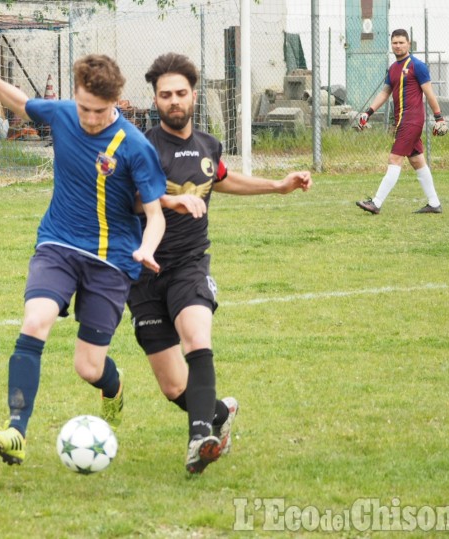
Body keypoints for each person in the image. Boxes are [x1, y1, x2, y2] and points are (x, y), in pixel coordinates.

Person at [0, 48, 170, 466]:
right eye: (86, 108)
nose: (91, 119)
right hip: (57, 243)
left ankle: (113, 386)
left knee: (89, 368)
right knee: (35, 321)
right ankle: (16, 429)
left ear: (117, 104)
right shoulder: (63, 114)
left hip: (111, 260)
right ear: (76, 97)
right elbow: (19, 102)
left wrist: (146, 247)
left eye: (101, 112)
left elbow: (156, 214)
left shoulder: (135, 146)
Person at [128, 53, 313, 474]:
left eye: (180, 93)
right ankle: (218, 414)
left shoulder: (208, 146)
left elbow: (223, 179)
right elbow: (132, 199)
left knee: (196, 337)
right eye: (165, 95)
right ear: (155, 101)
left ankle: (199, 439)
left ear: (193, 95)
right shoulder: (141, 147)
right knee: (174, 385)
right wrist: (170, 200)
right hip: (142, 271)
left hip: (190, 264)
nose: (173, 101)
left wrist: (277, 186)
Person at [355, 28, 448, 215]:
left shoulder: (417, 66)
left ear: (408, 43)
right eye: (395, 43)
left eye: (401, 42)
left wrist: (439, 117)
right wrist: (369, 112)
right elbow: (385, 92)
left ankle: (376, 203)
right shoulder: (393, 68)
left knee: (394, 159)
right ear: (391, 45)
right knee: (417, 161)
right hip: (402, 120)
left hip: (411, 120)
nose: (398, 46)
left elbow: (429, 93)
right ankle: (434, 203)